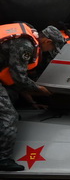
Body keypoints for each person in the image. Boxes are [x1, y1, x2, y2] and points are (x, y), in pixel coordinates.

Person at [0, 23, 55, 171]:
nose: (50, 52)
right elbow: (19, 78)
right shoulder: (25, 45)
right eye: (52, 49)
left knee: (11, 96)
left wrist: (32, 102)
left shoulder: (28, 37)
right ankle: (3, 160)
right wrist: (41, 90)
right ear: (47, 42)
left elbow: (13, 82)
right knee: (9, 116)